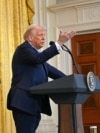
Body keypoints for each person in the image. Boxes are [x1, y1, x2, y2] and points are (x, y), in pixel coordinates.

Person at [7, 24, 76, 133]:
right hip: (24, 101)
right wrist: (59, 43)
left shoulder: (36, 56)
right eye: (40, 35)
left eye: (44, 35)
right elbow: (39, 58)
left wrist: (75, 81)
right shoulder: (24, 49)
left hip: (34, 102)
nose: (44, 38)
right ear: (30, 38)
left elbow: (54, 72)